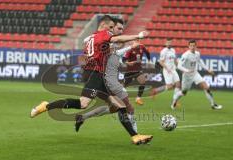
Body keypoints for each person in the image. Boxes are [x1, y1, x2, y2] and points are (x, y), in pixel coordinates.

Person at [30, 15, 152, 145]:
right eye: (110, 27)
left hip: (96, 74)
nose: (112, 30)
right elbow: (118, 39)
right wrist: (138, 36)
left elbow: (109, 51)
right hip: (96, 74)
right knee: (83, 104)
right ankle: (46, 106)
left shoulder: (91, 38)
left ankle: (135, 136)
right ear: (102, 26)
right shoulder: (103, 34)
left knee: (119, 106)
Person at [75, 18, 140, 133]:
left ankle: (83, 117)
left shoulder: (109, 42)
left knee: (114, 107)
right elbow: (111, 53)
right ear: (111, 27)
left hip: (107, 78)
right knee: (126, 106)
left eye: (121, 29)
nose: (120, 31)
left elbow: (113, 57)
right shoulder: (106, 40)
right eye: (118, 28)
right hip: (106, 79)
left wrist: (124, 62)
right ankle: (136, 135)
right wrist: (131, 46)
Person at [172, 39, 222, 110]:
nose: (192, 47)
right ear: (188, 46)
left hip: (195, 74)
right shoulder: (185, 55)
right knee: (184, 92)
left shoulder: (197, 54)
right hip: (187, 76)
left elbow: (200, 62)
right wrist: (187, 70)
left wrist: (208, 69)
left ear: (196, 46)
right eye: (191, 46)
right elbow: (179, 66)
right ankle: (175, 100)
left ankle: (213, 104)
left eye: (194, 45)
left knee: (206, 87)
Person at [150, 38, 181, 109]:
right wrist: (167, 68)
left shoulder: (173, 50)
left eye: (170, 42)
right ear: (166, 43)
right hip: (167, 71)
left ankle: (175, 101)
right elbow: (161, 61)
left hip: (173, 70)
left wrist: (178, 66)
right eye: (168, 43)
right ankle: (155, 91)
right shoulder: (163, 51)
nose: (169, 44)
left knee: (178, 84)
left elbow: (175, 60)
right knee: (170, 87)